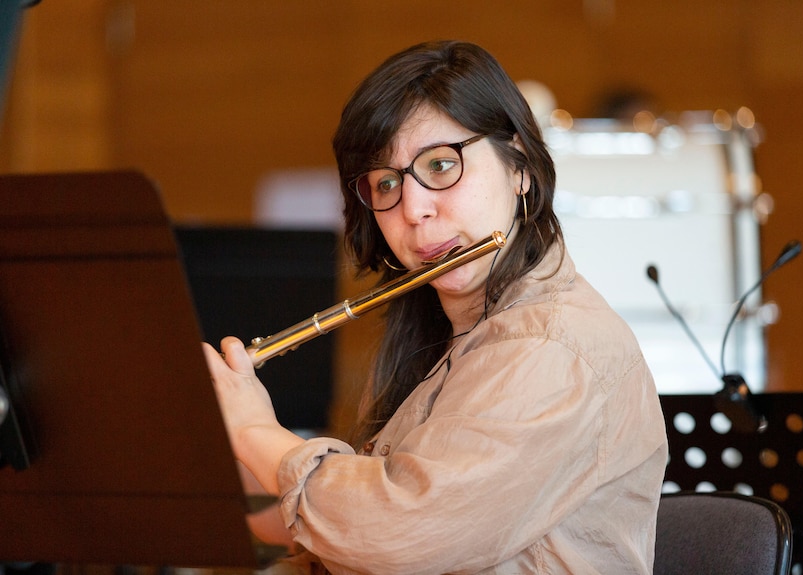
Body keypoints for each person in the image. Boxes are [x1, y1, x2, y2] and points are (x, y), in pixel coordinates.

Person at [204, 40, 668, 574]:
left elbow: (397, 531)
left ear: (518, 165)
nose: (415, 209)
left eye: (442, 165)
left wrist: (254, 433)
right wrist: (214, 450)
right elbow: (346, 534)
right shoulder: (447, 339)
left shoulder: (552, 346)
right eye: (386, 183)